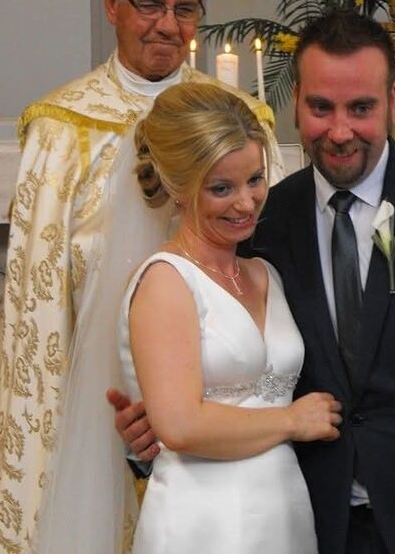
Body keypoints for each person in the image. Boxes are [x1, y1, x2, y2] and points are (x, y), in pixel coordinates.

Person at [116, 10, 395, 554]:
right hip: (312, 525)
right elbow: (228, 366)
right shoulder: (262, 220)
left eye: (360, 108)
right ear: (295, 101)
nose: (339, 131)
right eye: (321, 107)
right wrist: (151, 431)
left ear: (392, 100)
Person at [0, 0, 282, 552]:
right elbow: (38, 308)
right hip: (98, 408)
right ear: (111, 3)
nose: (168, 26)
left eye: (185, 8)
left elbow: (265, 280)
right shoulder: (63, 129)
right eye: (150, 5)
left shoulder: (242, 121)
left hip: (224, 419)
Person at [119, 83, 341, 553]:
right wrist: (291, 422)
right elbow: (180, 426)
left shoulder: (265, 272)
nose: (246, 203)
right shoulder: (166, 281)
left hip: (282, 509)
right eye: (222, 188)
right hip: (204, 520)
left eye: (255, 180)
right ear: (179, 188)